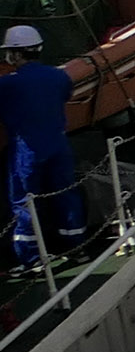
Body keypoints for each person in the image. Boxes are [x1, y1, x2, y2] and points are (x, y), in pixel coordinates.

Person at [0, 26, 85, 265]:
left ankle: (31, 259)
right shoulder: (59, 77)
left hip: (27, 150)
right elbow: (64, 96)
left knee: (25, 201)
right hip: (59, 145)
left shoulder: (8, 85)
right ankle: (77, 247)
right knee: (66, 194)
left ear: (16, 53)